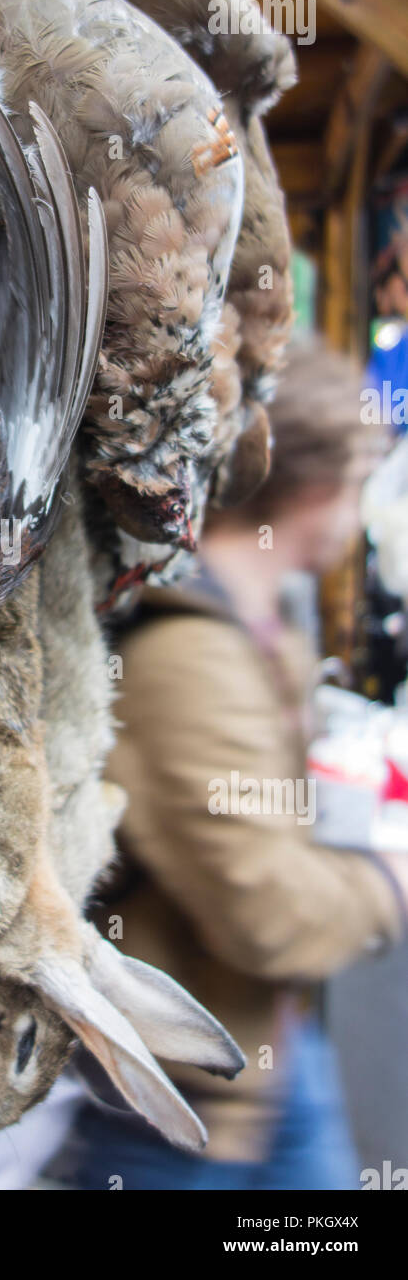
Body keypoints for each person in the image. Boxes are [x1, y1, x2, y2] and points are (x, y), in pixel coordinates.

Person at [44, 336, 408, 1190]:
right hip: (177, 1113)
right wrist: (388, 881)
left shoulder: (255, 615)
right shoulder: (190, 652)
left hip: (260, 1064)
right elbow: (258, 904)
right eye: (357, 486)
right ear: (317, 489)